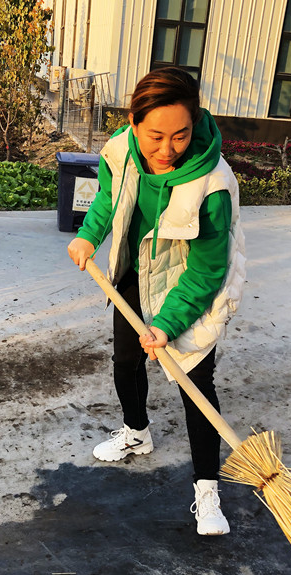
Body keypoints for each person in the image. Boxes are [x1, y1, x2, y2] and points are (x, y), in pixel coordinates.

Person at [67, 67, 246, 536]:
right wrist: (89, 236)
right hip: (135, 271)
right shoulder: (121, 150)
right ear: (133, 121)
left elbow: (208, 269)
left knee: (195, 384)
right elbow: (110, 199)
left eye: (181, 136)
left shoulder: (214, 187)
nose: (167, 150)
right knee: (125, 362)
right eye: (155, 137)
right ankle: (137, 433)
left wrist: (167, 324)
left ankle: (207, 489)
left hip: (189, 285)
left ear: (197, 122)